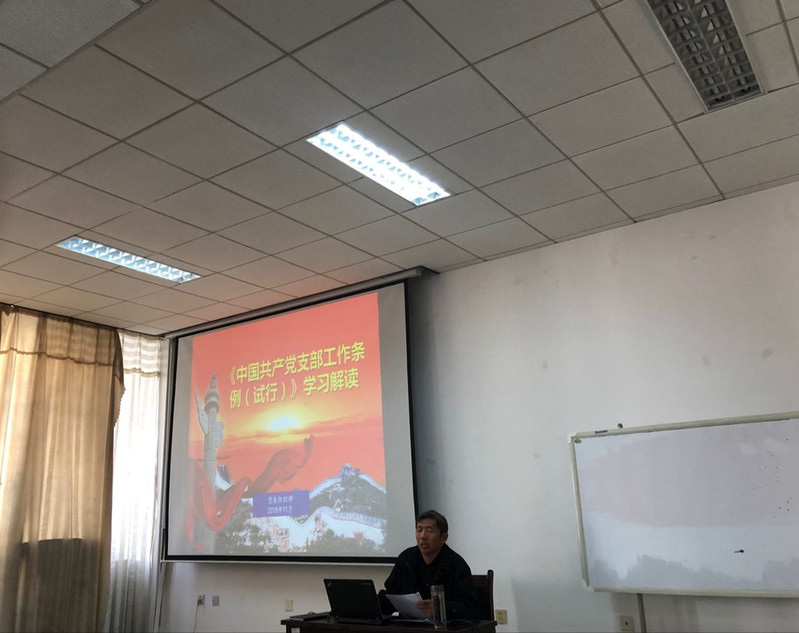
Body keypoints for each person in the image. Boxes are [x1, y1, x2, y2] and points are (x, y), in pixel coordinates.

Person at [379, 510, 477, 621]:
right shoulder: (406, 559)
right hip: (408, 626)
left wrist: (441, 608)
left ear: (444, 537)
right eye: (419, 530)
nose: (422, 536)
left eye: (429, 531)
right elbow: (391, 596)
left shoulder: (456, 565)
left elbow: (469, 608)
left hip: (443, 626)